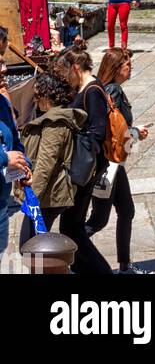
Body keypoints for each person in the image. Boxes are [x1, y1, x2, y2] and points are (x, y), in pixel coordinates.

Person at [86, 48, 148, 275]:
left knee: (127, 211)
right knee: (99, 220)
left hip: (114, 165)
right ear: (116, 68)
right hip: (109, 165)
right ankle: (71, 252)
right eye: (127, 65)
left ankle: (124, 265)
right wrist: (135, 132)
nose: (131, 68)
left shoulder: (110, 88)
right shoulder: (113, 91)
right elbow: (113, 131)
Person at [51, 48, 113, 274]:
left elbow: (98, 132)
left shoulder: (92, 91)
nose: (65, 78)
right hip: (84, 170)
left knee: (72, 229)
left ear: (75, 68)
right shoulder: (85, 88)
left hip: (85, 172)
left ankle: (100, 272)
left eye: (66, 72)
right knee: (71, 228)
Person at [18, 70, 86, 247]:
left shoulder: (54, 123)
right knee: (33, 247)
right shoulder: (55, 118)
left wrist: (32, 198)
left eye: (38, 94)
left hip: (48, 195)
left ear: (47, 94)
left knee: (30, 247)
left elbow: (46, 164)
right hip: (48, 193)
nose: (35, 99)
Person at [0, 25, 32, 254]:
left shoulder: (2, 103)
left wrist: (22, 165)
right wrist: (3, 158)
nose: (4, 68)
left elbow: (14, 141)